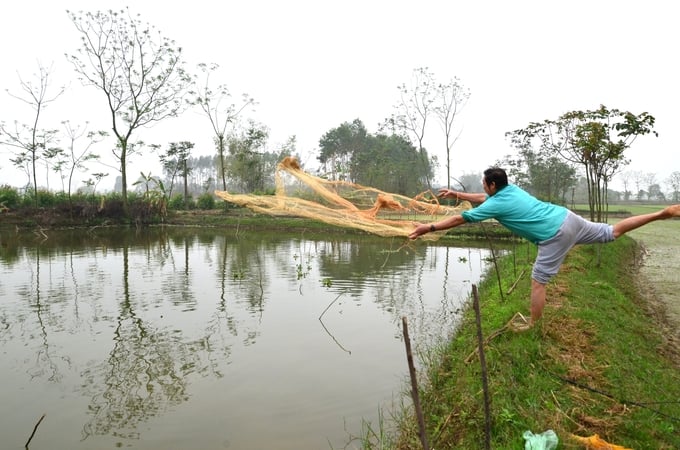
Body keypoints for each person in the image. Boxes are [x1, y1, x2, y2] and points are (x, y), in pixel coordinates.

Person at [408, 167, 680, 327]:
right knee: (613, 230)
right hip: (567, 218)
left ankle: (533, 326)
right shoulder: (509, 190)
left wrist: (427, 228)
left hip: (554, 235)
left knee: (538, 282)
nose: (483, 189)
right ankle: (661, 213)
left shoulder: (495, 201)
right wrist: (457, 194)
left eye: (484, 184)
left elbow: (458, 218)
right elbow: (481, 198)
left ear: (492, 185)